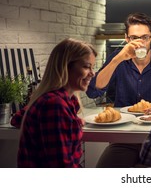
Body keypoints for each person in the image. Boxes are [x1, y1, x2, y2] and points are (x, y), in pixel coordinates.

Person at [86, 12, 151, 167]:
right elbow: (93, 91)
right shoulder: (118, 57)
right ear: (126, 38)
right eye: (134, 38)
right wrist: (118, 59)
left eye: (144, 37)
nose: (140, 43)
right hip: (124, 139)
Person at [10, 38, 97, 167]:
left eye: (92, 67)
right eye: (86, 67)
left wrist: (75, 122)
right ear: (65, 66)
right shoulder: (55, 105)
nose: (93, 73)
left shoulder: (59, 100)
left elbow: (16, 119)